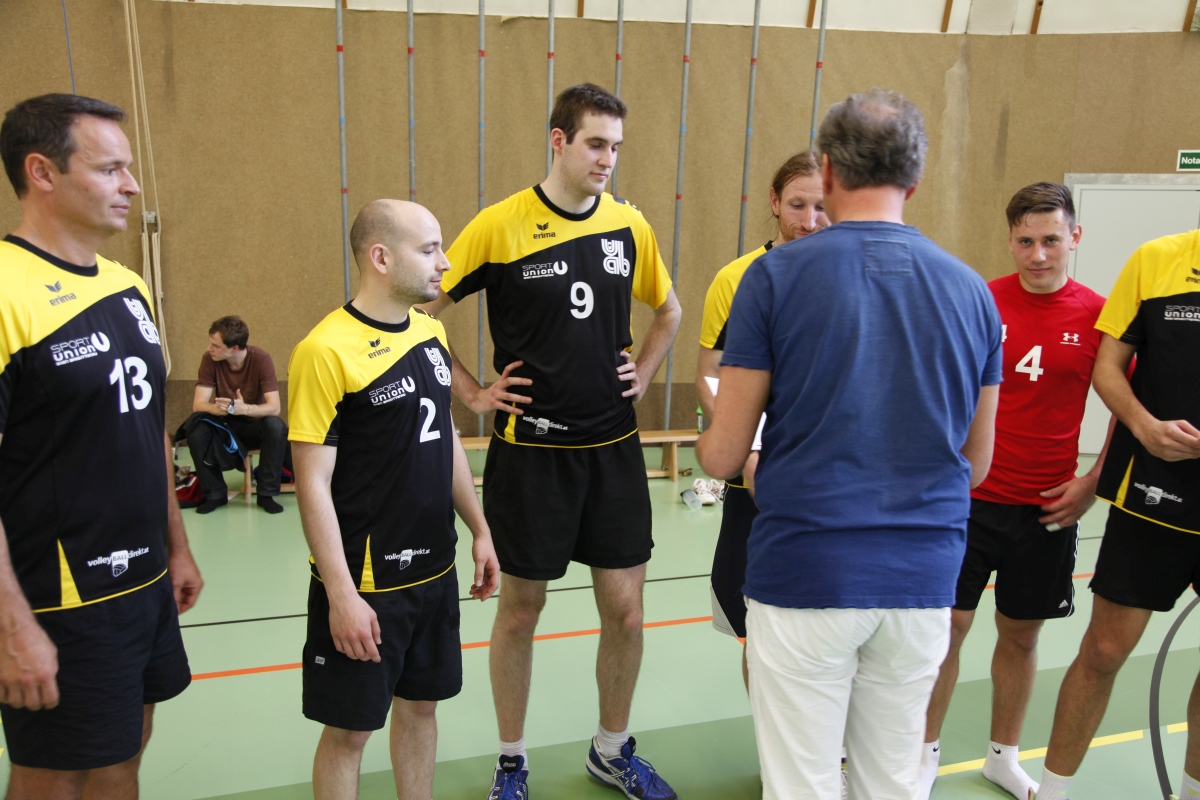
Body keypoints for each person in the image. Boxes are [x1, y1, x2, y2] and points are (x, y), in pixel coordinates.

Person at [697, 88, 1001, 800]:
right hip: (923, 576)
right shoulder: (972, 292)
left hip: (808, 571)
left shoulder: (772, 277)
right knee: (891, 781)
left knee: (801, 784)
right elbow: (977, 463)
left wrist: (727, 440)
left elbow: (723, 455)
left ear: (828, 171)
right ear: (914, 180)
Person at [420, 83, 682, 800]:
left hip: (613, 452)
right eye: (596, 144)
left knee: (626, 612)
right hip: (530, 456)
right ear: (559, 140)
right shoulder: (498, 226)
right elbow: (419, 313)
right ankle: (512, 759)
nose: (608, 159)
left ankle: (611, 749)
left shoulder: (629, 225)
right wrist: (471, 392)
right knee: (520, 610)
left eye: (616, 147)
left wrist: (645, 371)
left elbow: (669, 310)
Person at [0, 93, 203, 799]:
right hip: (59, 593)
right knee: (57, 771)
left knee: (124, 753)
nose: (132, 186)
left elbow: (145, 431)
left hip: (143, 581)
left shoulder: (126, 286)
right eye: (111, 169)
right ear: (42, 172)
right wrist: (11, 624)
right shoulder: (6, 292)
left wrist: (176, 545)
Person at [288, 199, 500, 800]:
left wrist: (480, 528)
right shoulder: (325, 350)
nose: (445, 262)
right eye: (429, 249)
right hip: (367, 584)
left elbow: (445, 438)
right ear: (381, 258)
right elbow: (311, 483)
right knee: (350, 733)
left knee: (422, 709)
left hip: (435, 572)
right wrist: (341, 595)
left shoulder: (431, 333)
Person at [919, 182, 1111, 800]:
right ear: (1009, 241)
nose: (1038, 254)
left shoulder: (1099, 315)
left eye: (1051, 240)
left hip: (1047, 508)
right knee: (947, 628)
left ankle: (1002, 757)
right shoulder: (980, 300)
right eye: (1025, 241)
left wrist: (1092, 483)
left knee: (1022, 635)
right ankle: (923, 755)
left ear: (1074, 237)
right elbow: (939, 386)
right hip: (969, 500)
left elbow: (1126, 406)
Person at [1033, 230, 1200, 800]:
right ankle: (1051, 791)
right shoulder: (1157, 260)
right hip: (1153, 497)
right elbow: (1108, 368)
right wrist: (1144, 426)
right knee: (1103, 652)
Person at [696, 150, 829, 686]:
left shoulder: (848, 276)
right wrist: (749, 452)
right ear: (774, 202)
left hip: (826, 482)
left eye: (821, 207)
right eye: (797, 205)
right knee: (757, 627)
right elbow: (711, 376)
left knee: (827, 625)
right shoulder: (736, 279)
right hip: (756, 483)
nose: (809, 221)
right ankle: (771, 737)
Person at [183, 315, 289, 514]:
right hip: (225, 426)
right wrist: (217, 409)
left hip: (252, 426)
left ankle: (266, 494)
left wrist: (244, 409)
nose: (209, 349)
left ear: (234, 348)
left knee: (275, 425)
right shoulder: (209, 359)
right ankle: (215, 494)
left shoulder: (261, 359)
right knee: (195, 427)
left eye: (215, 346)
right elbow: (198, 404)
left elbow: (274, 407)